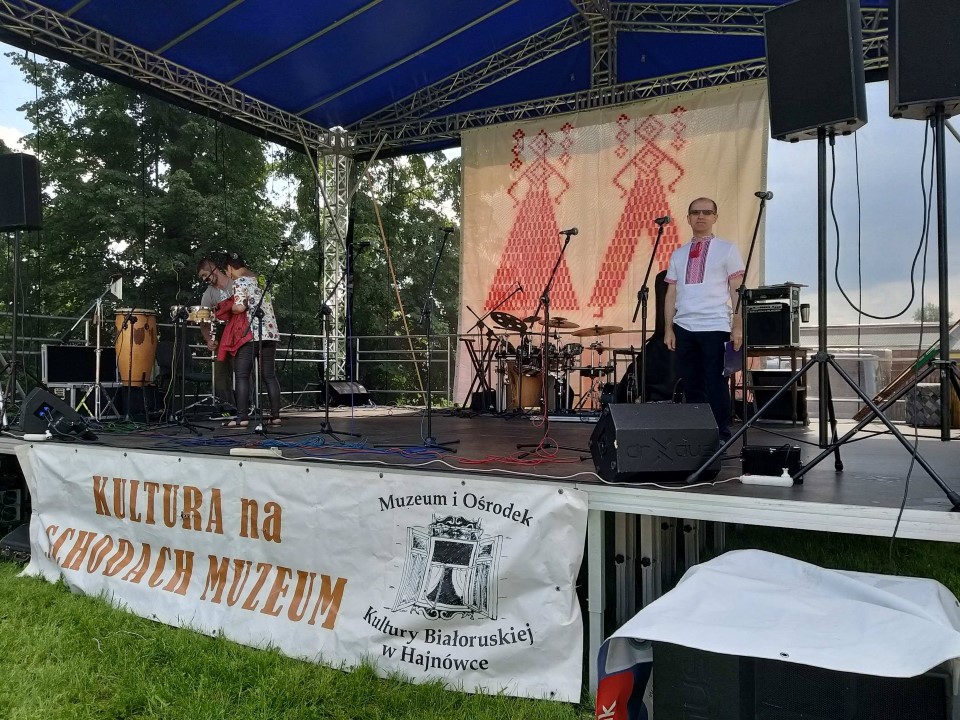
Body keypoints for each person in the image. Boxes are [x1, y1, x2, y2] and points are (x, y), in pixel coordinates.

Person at [663, 197, 745, 440]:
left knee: (716, 382)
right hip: (684, 326)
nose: (701, 216)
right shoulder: (678, 254)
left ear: (715, 217)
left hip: (715, 325)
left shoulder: (727, 249)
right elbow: (671, 293)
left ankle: (721, 435)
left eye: (707, 212)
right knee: (691, 383)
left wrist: (737, 326)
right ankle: (698, 434)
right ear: (688, 218)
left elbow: (737, 290)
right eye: (695, 212)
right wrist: (668, 328)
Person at [222, 253, 282, 428]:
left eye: (226, 272)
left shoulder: (240, 281)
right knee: (269, 375)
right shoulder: (260, 280)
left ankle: (242, 417)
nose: (228, 275)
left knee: (242, 375)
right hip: (270, 333)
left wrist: (228, 308)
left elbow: (240, 307)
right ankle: (275, 416)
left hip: (251, 334)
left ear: (229, 267)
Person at [196, 258, 236, 413]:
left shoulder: (235, 283)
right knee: (219, 373)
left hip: (240, 330)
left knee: (243, 370)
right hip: (221, 331)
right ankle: (227, 409)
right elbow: (203, 321)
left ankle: (247, 407)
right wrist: (208, 340)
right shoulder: (208, 293)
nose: (204, 279)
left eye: (204, 274)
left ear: (213, 269)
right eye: (201, 277)